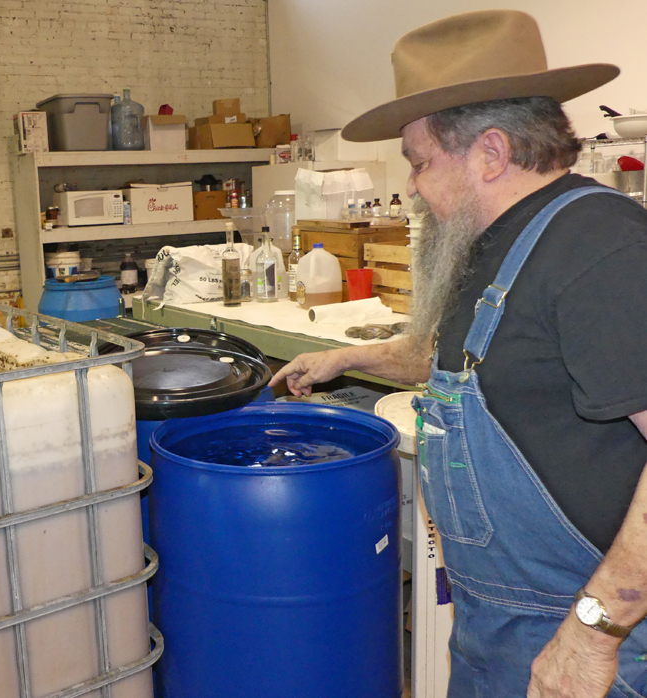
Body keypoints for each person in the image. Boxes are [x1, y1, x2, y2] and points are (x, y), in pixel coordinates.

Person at [270, 10, 647, 698]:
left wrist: (593, 633)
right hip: (497, 626)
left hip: (592, 641)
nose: (411, 184)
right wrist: (342, 361)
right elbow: (474, 359)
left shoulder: (602, 249)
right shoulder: (501, 241)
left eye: (418, 163)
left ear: (491, 153)